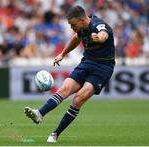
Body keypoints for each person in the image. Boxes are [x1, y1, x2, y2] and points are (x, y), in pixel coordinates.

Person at [24, 5, 115, 143]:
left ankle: (55, 134)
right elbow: (76, 38)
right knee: (64, 89)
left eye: (73, 25)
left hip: (103, 67)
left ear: (82, 21)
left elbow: (104, 35)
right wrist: (62, 54)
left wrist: (99, 38)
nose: (72, 28)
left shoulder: (99, 25)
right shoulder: (82, 28)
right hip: (87, 62)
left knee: (78, 98)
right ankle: (39, 114)